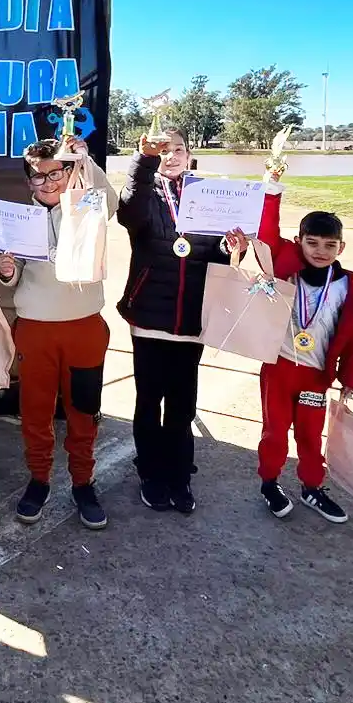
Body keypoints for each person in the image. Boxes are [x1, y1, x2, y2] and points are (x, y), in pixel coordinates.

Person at [0, 136, 118, 529]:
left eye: (55, 173)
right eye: (37, 177)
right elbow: (11, 281)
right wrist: (8, 270)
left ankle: (83, 482)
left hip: (83, 327)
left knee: (83, 411)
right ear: (28, 180)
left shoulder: (86, 205)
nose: (48, 183)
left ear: (68, 172)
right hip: (35, 329)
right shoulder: (18, 220)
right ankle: (40, 479)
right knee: (36, 411)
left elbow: (111, 202)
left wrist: (85, 161)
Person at [117, 128, 232, 514]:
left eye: (178, 149)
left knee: (183, 404)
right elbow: (129, 214)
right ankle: (150, 473)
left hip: (192, 318)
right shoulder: (144, 192)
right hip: (150, 314)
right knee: (150, 400)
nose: (172, 155)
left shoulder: (212, 196)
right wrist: (144, 162)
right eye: (163, 151)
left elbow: (218, 258)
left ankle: (179, 475)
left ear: (189, 153)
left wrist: (234, 248)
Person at [253, 185, 353, 522]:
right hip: (279, 369)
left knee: (309, 434)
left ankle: (311, 487)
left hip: (316, 376)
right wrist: (272, 192)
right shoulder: (285, 270)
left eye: (329, 245)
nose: (320, 251)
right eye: (312, 243)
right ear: (299, 240)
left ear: (341, 247)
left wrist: (351, 379)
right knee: (274, 431)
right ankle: (269, 483)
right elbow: (266, 235)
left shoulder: (348, 290)